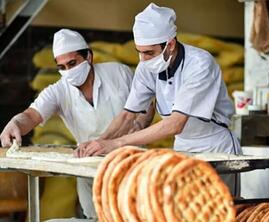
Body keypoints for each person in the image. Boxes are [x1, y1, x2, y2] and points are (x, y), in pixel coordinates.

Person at [80, 3, 241, 194]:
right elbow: (127, 115)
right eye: (139, 51)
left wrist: (117, 143)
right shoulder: (146, 67)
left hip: (216, 147)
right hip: (182, 145)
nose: (143, 59)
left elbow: (175, 124)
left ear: (170, 44)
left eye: (149, 52)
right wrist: (98, 143)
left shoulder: (199, 64)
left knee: (221, 210)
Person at [0, 29, 154, 219]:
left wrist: (137, 127)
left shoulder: (119, 73)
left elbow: (147, 106)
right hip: (88, 166)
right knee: (96, 217)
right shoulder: (58, 91)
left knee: (134, 215)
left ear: (88, 56)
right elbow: (31, 116)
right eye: (62, 67)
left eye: (72, 63)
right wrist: (15, 123)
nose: (68, 71)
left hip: (130, 161)